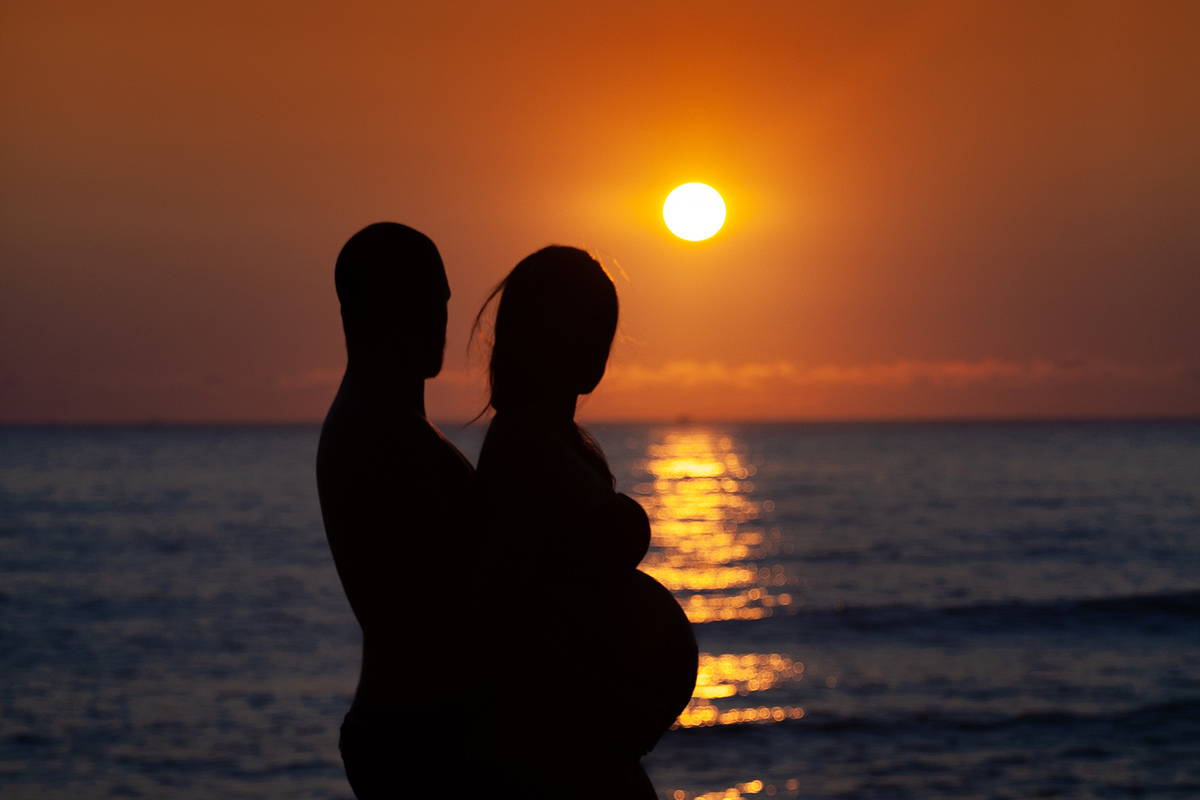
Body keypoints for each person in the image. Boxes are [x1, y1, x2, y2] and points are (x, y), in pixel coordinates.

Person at [473, 246, 698, 799]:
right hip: (559, 745)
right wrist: (608, 703)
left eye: (605, 328)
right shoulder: (522, 446)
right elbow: (510, 615)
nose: (600, 345)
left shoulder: (559, 441)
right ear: (541, 334)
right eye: (585, 325)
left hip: (589, 739)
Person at [316, 222, 480, 797]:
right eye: (419, 302)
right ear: (366, 312)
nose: (437, 321)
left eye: (442, 302)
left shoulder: (382, 424)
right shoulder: (382, 434)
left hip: (415, 727)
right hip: (419, 737)